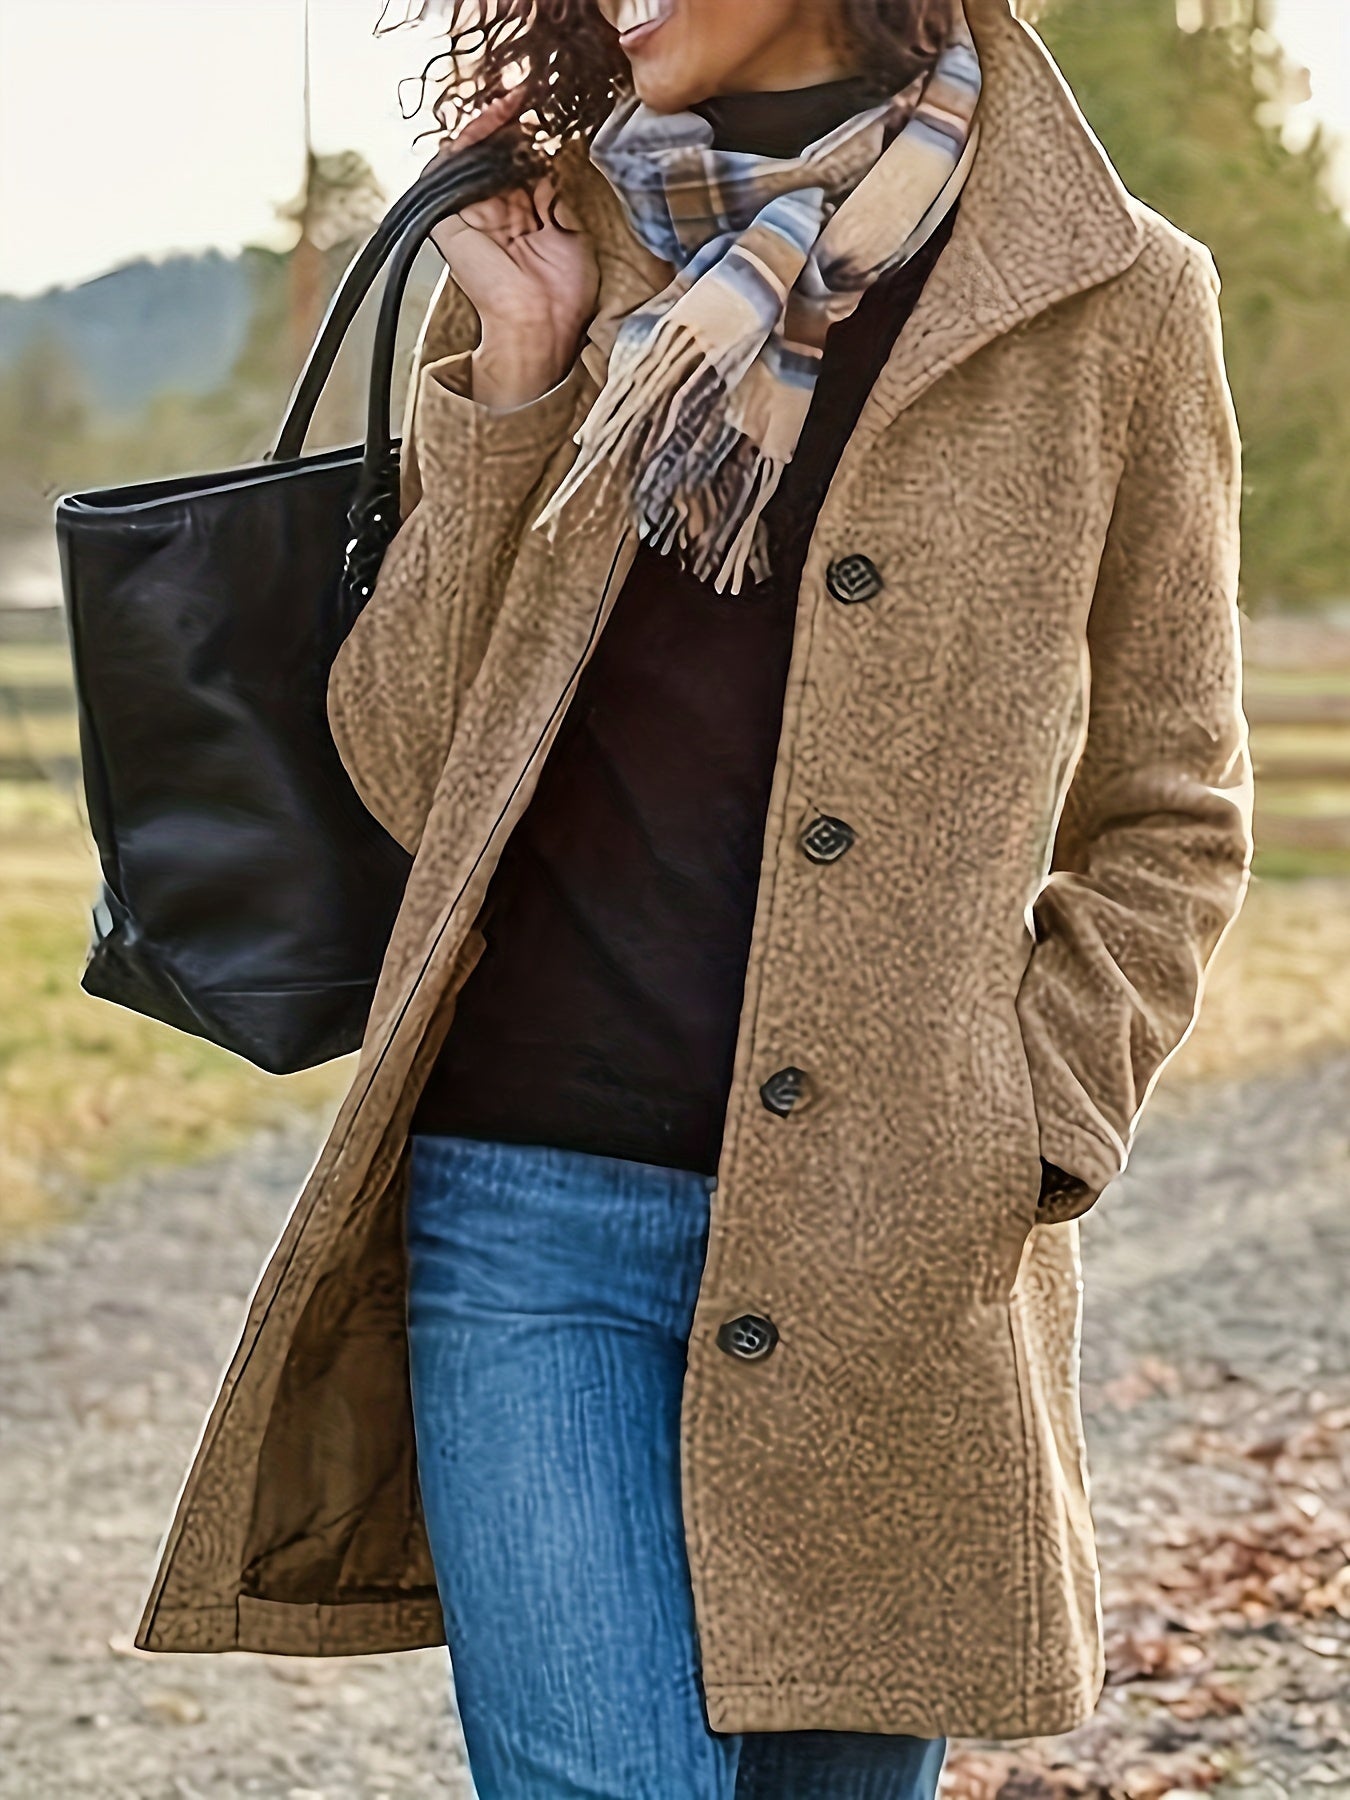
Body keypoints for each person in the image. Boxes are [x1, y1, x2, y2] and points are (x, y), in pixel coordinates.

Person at [133, 3, 1253, 1797]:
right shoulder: (544, 243)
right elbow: (413, 775)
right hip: (527, 1208)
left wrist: (1023, 1129)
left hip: (893, 1245)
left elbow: (1170, 805)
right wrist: (519, 381)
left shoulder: (1106, 296)